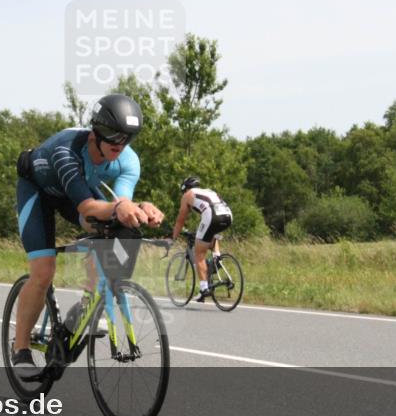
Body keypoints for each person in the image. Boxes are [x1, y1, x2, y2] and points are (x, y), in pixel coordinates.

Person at [13, 94, 165, 375]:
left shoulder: (129, 161)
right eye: (113, 136)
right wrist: (121, 207)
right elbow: (86, 205)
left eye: (127, 138)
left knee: (113, 229)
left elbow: (120, 205)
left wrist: (139, 209)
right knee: (44, 271)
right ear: (95, 131)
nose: (119, 144)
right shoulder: (66, 150)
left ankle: (87, 304)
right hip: (39, 192)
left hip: (75, 193)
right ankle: (20, 347)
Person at [170, 177, 232, 302]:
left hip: (212, 216)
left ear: (185, 188)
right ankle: (217, 257)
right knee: (211, 234)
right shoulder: (208, 191)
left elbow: (180, 220)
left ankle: (204, 288)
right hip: (227, 215)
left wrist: (173, 237)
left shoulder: (187, 195)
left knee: (199, 253)